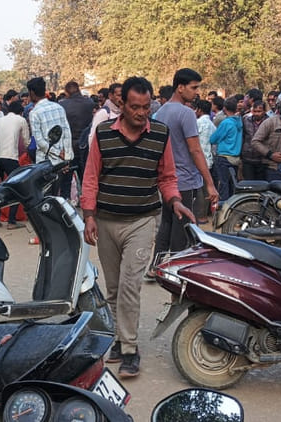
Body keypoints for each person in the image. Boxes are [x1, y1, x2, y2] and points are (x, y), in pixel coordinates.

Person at [81, 76, 195, 378]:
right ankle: (119, 340)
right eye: (135, 107)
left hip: (142, 222)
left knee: (130, 286)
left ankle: (130, 349)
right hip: (106, 221)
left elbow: (167, 177)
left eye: (146, 107)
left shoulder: (160, 134)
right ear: (122, 104)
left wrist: (175, 200)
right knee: (114, 288)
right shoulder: (103, 134)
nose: (141, 113)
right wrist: (89, 215)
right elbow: (91, 177)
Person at [152, 68, 218, 262]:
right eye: (194, 87)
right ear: (180, 87)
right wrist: (210, 184)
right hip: (185, 180)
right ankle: (175, 268)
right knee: (182, 229)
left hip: (166, 181)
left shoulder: (161, 111)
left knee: (166, 224)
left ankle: (156, 265)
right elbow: (195, 150)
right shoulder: (186, 113)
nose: (197, 92)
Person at [27, 77, 73, 198]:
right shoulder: (59, 107)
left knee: (45, 198)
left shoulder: (34, 113)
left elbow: (40, 141)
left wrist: (58, 153)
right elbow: (67, 133)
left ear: (31, 93)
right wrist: (66, 157)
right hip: (60, 162)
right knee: (56, 195)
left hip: (45, 162)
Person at [0, 101, 29, 229]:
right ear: (21, 112)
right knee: (16, 188)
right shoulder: (21, 120)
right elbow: (26, 141)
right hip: (11, 157)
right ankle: (11, 221)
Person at [60, 81, 95, 181]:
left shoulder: (62, 105)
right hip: (86, 144)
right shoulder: (90, 103)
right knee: (85, 177)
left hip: (69, 145)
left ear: (66, 92)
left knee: (66, 180)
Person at [209, 96, 243, 200]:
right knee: (232, 185)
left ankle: (224, 207)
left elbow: (213, 139)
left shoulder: (226, 123)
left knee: (223, 185)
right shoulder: (239, 122)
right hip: (235, 158)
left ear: (224, 108)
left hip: (224, 157)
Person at [194, 99, 215, 223]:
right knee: (207, 187)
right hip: (208, 159)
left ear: (199, 110)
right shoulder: (212, 125)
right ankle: (204, 214)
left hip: (198, 159)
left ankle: (201, 215)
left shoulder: (197, 123)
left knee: (200, 189)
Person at [241, 100, 268, 180]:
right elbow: (243, 136)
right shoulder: (246, 120)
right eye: (255, 111)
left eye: (259, 111)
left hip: (262, 159)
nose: (256, 114)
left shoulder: (269, 122)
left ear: (264, 111)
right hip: (247, 158)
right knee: (249, 183)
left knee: (261, 184)